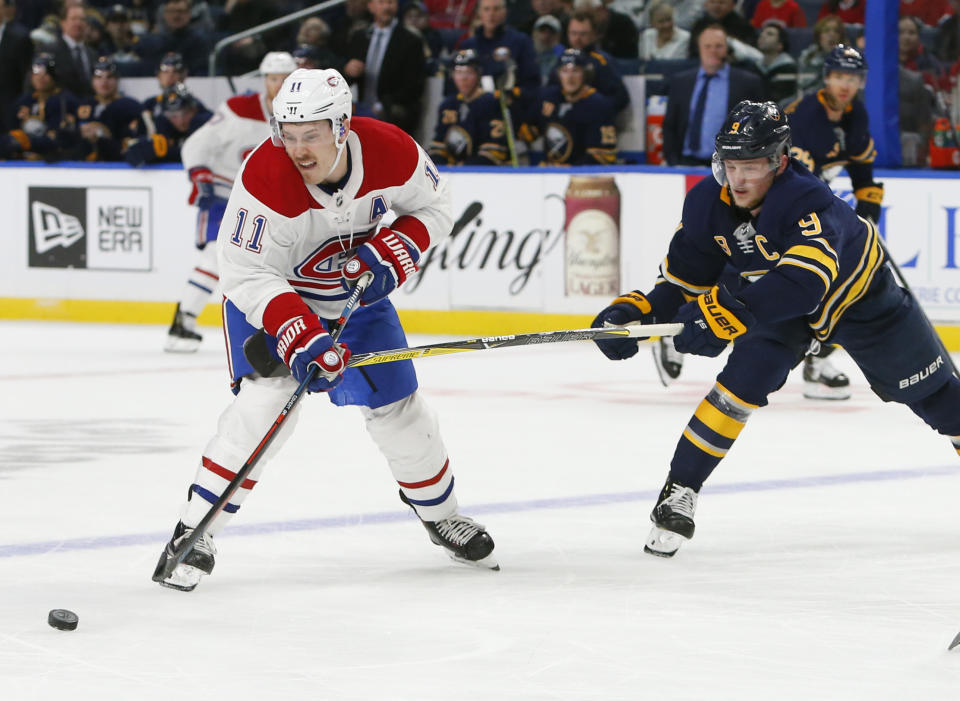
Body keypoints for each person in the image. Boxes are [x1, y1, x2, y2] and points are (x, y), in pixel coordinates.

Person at [152, 67, 498, 592]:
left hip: (354, 299)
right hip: (273, 301)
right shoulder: (265, 177)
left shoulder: (391, 150)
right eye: (287, 134)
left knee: (400, 407)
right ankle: (193, 530)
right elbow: (244, 271)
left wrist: (393, 249)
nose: (297, 149)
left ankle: (441, 514)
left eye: (310, 134)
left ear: (341, 127)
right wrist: (298, 332)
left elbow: (435, 205)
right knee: (264, 408)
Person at [591, 100, 960, 559]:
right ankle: (679, 491)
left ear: (779, 161)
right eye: (730, 164)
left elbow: (803, 286)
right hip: (770, 303)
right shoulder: (708, 202)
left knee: (938, 399)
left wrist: (723, 314)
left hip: (860, 299)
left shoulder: (806, 199)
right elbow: (684, 282)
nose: (738, 179)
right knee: (739, 386)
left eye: (751, 166)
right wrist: (637, 311)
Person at [163, 51, 297, 352]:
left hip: (267, 206)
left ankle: (274, 328)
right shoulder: (239, 109)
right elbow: (198, 144)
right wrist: (200, 175)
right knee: (215, 255)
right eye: (273, 78)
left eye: (285, 78)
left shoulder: (300, 116)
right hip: (225, 196)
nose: (279, 84)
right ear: (264, 80)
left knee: (274, 265)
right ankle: (183, 321)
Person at [662, 23, 765, 166]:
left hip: (731, 165)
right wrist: (673, 161)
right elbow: (670, 126)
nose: (713, 51)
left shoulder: (748, 83)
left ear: (727, 49)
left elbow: (760, 126)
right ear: (699, 48)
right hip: (686, 164)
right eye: (707, 46)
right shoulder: (681, 82)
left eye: (718, 46)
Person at [343, 0, 427, 135]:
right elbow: (346, 78)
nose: (387, 7)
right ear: (370, 6)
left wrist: (382, 105)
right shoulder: (360, 36)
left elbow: (414, 86)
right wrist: (348, 71)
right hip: (360, 107)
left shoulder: (411, 40)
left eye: (390, 2)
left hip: (392, 109)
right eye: (381, 2)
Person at [428, 49, 508, 165]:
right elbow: (438, 146)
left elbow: (494, 153)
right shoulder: (448, 105)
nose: (463, 78)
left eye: (469, 72)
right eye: (458, 72)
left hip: (484, 175)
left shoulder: (490, 103)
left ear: (478, 75)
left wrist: (462, 168)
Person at [539, 48, 618, 165]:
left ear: (586, 74)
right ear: (558, 74)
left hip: (583, 178)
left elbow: (604, 156)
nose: (569, 78)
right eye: (565, 71)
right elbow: (528, 130)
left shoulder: (599, 105)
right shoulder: (551, 98)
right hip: (552, 173)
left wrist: (568, 169)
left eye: (575, 71)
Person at [0, 53, 80, 161]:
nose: (40, 78)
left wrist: (27, 142)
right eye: (36, 73)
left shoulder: (65, 101)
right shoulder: (24, 101)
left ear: (54, 76)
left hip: (54, 161)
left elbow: (62, 139)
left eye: (46, 74)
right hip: (20, 160)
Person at [71, 56, 144, 161]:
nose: (104, 82)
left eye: (109, 77)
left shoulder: (129, 106)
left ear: (117, 80)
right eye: (99, 77)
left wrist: (99, 140)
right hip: (84, 166)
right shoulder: (83, 105)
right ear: (92, 81)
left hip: (117, 164)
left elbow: (132, 144)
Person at [125, 82, 212, 166]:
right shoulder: (162, 123)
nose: (180, 121)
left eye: (185, 113)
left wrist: (165, 153)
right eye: (173, 116)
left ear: (195, 109)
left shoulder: (207, 121)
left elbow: (200, 156)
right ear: (166, 115)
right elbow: (131, 155)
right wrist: (145, 151)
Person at [43, 4, 98, 98]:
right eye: (73, 19)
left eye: (82, 19)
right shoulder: (49, 50)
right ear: (62, 23)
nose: (78, 23)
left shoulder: (92, 54)